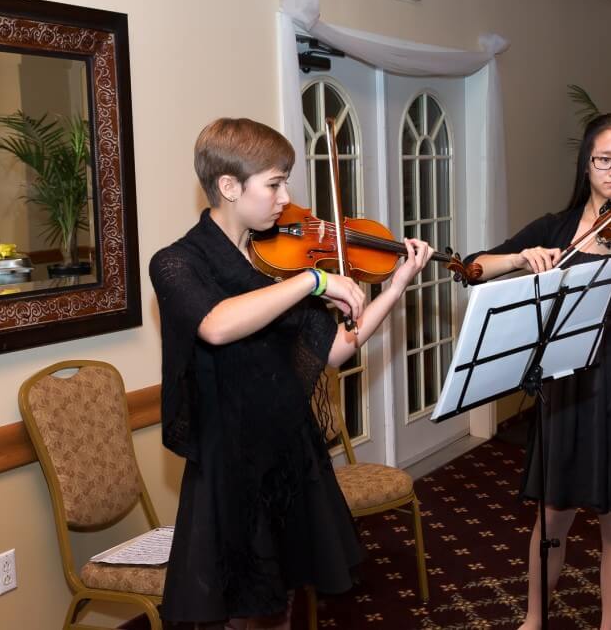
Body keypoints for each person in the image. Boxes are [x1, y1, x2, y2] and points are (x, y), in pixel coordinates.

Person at [149, 117, 434, 630]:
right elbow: (216, 326)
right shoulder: (177, 262)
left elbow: (334, 350)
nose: (286, 198)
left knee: (282, 604)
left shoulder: (274, 262)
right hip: (231, 464)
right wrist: (313, 280)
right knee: (242, 609)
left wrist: (394, 289)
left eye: (286, 183)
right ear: (229, 186)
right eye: (275, 184)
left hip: (288, 450)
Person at [465, 113, 611, 630]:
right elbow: (474, 267)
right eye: (604, 159)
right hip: (566, 382)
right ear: (585, 164)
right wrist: (521, 258)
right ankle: (533, 618)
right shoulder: (556, 227)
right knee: (551, 516)